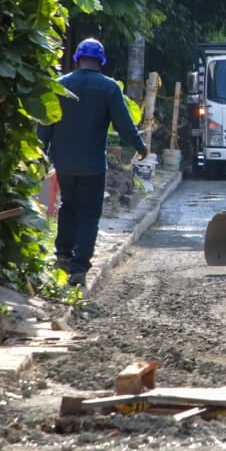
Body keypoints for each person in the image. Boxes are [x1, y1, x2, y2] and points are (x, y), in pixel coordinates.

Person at [37, 38, 148, 286]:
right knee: (88, 214)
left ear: (77, 58)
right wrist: (140, 146)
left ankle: (63, 255)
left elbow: (45, 123)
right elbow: (124, 124)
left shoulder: (59, 85)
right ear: (101, 61)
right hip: (93, 167)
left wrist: (40, 151)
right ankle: (79, 268)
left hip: (64, 164)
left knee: (67, 205)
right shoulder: (108, 88)